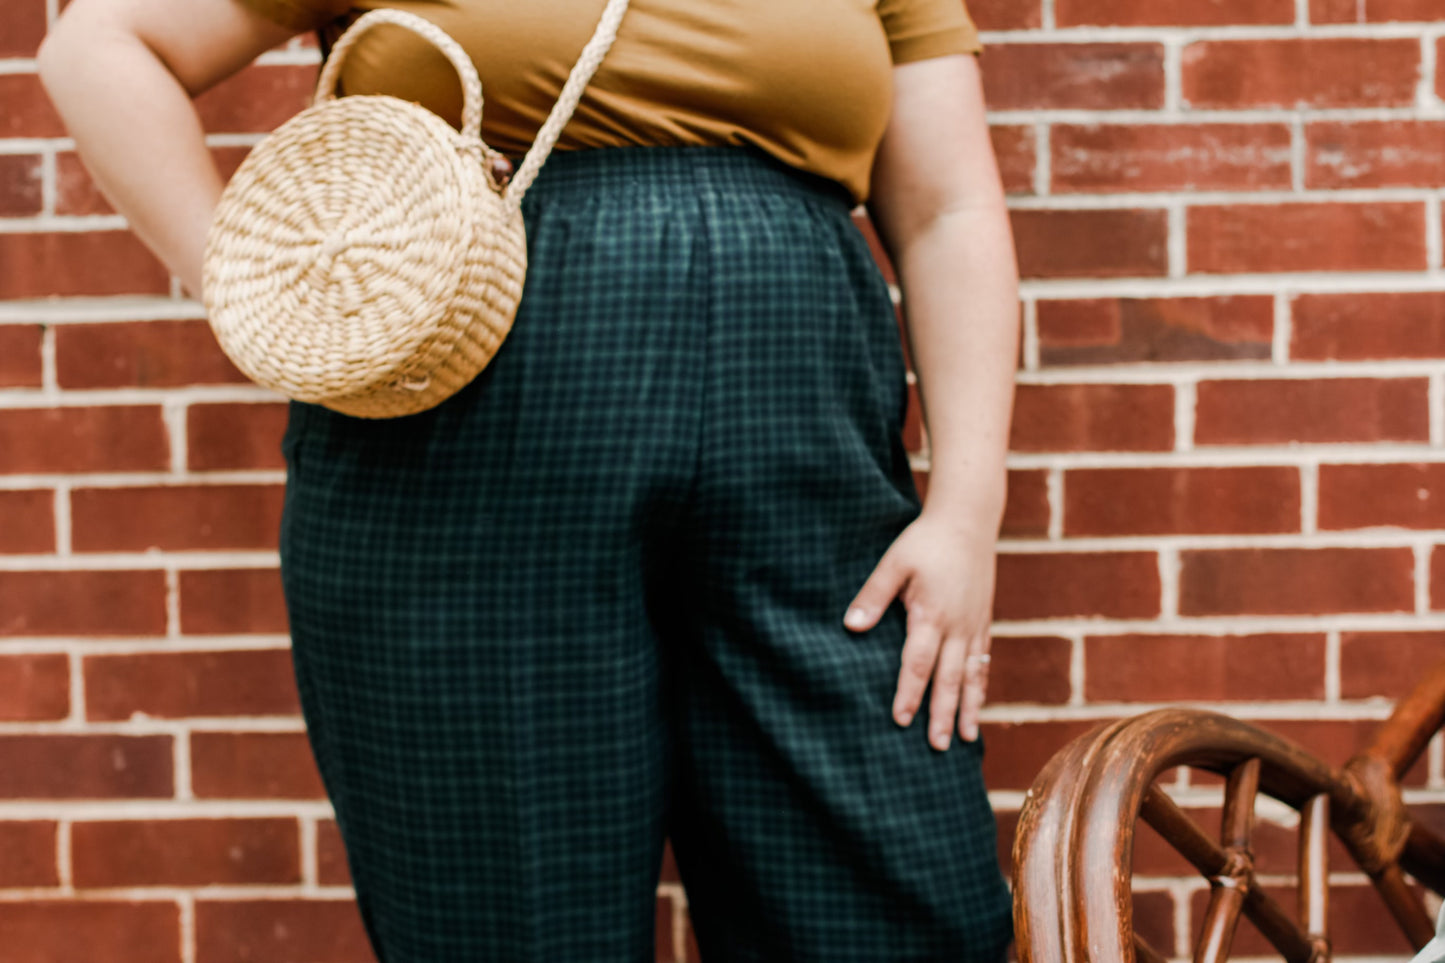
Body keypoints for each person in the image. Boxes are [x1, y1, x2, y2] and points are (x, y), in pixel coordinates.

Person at [38, 0, 1020, 959]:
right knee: (505, 923)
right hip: (456, 464)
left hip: (806, 472)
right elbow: (101, 46)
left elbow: (947, 206)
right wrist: (258, 291)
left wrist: (966, 513)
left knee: (902, 914)